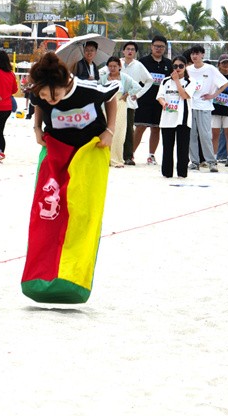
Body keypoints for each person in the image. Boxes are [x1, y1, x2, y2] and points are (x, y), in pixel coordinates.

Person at [22, 52, 118, 304]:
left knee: (83, 213)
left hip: (89, 151)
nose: (48, 100)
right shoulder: (40, 94)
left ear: (64, 83)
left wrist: (110, 130)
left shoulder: (87, 90)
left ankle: (74, 279)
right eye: (43, 95)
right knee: (48, 212)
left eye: (51, 95)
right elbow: (38, 105)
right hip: (56, 150)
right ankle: (41, 279)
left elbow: (112, 96)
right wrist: (37, 128)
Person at [186, 45, 228, 172]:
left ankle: (211, 162)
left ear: (202, 55)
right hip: (190, 105)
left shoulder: (210, 69)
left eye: (197, 53)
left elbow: (225, 83)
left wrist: (213, 95)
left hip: (204, 106)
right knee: (191, 135)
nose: (194, 56)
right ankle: (194, 162)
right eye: (193, 54)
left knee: (205, 135)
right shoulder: (188, 69)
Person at [133, 35, 171, 165]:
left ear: (165, 48)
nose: (158, 49)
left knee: (156, 129)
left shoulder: (168, 64)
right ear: (151, 47)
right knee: (140, 127)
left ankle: (151, 155)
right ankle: (130, 154)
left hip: (160, 102)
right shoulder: (143, 62)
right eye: (156, 46)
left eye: (161, 47)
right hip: (144, 100)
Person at [156, 56, 195, 178]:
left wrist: (177, 81)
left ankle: (182, 173)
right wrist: (163, 103)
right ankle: (167, 173)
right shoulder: (165, 81)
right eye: (175, 66)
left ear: (185, 67)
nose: (178, 68)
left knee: (182, 148)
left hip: (183, 119)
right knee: (167, 147)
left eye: (181, 66)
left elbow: (184, 95)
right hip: (167, 118)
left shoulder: (190, 81)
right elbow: (160, 96)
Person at [115, 41, 153, 165]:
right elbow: (103, 74)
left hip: (129, 102)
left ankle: (128, 156)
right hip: (115, 101)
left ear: (135, 52)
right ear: (123, 51)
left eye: (132, 49)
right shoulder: (117, 63)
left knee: (128, 129)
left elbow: (149, 80)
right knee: (114, 128)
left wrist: (137, 94)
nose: (130, 51)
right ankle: (113, 155)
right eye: (128, 49)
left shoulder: (138, 65)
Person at [99, 56, 137, 168]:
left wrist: (127, 94)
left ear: (119, 66)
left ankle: (117, 158)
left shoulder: (124, 78)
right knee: (106, 130)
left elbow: (137, 87)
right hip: (106, 104)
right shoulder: (103, 78)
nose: (112, 68)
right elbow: (97, 88)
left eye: (114, 66)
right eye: (110, 66)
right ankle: (106, 158)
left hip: (120, 104)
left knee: (119, 131)